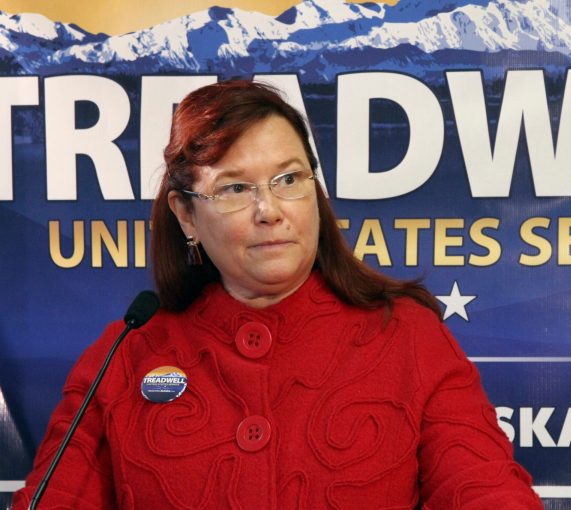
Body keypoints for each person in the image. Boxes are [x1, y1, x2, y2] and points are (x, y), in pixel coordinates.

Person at [13, 80, 543, 509]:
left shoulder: (406, 336)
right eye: (236, 188)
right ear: (185, 214)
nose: (270, 209)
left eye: (289, 178)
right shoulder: (126, 355)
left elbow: (489, 493)